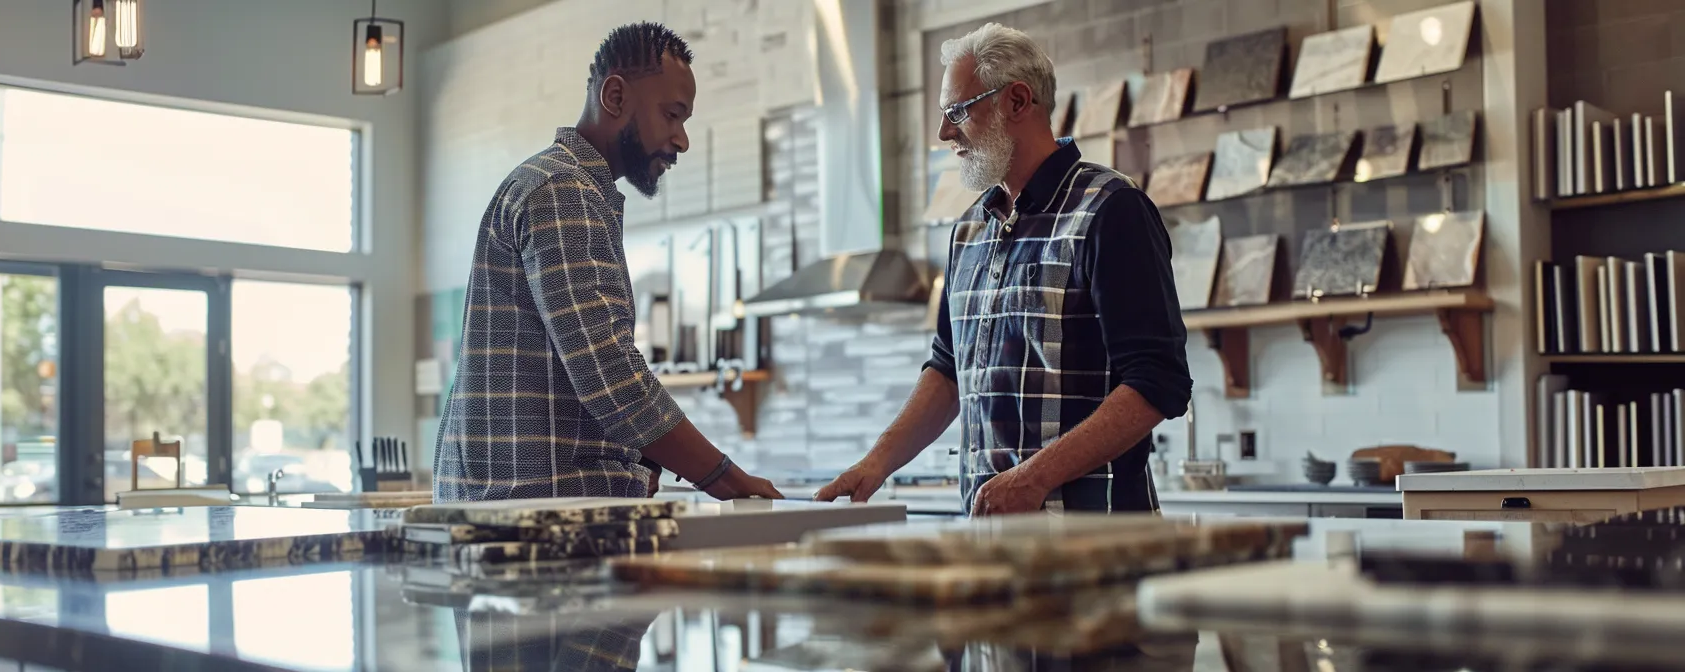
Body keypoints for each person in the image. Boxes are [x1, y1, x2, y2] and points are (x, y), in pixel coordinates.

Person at [816, 22, 1191, 517]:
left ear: (1016, 102)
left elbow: (1158, 380)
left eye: (958, 111)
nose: (944, 132)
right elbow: (949, 370)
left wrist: (1032, 478)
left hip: (1097, 535)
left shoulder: (1111, 210)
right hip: (994, 536)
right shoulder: (969, 230)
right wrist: (875, 464)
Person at [432, 22, 781, 504]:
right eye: (672, 115)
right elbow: (608, 370)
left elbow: (575, 371)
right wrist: (725, 479)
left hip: (527, 503)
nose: (682, 140)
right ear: (615, 96)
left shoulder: (566, 188)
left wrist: (640, 452)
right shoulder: (562, 191)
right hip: (542, 512)